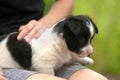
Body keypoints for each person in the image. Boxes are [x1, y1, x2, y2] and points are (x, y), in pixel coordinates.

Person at [0, 0, 108, 80]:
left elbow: (65, 1)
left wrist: (43, 24)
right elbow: (43, 64)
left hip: (39, 40)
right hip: (7, 63)